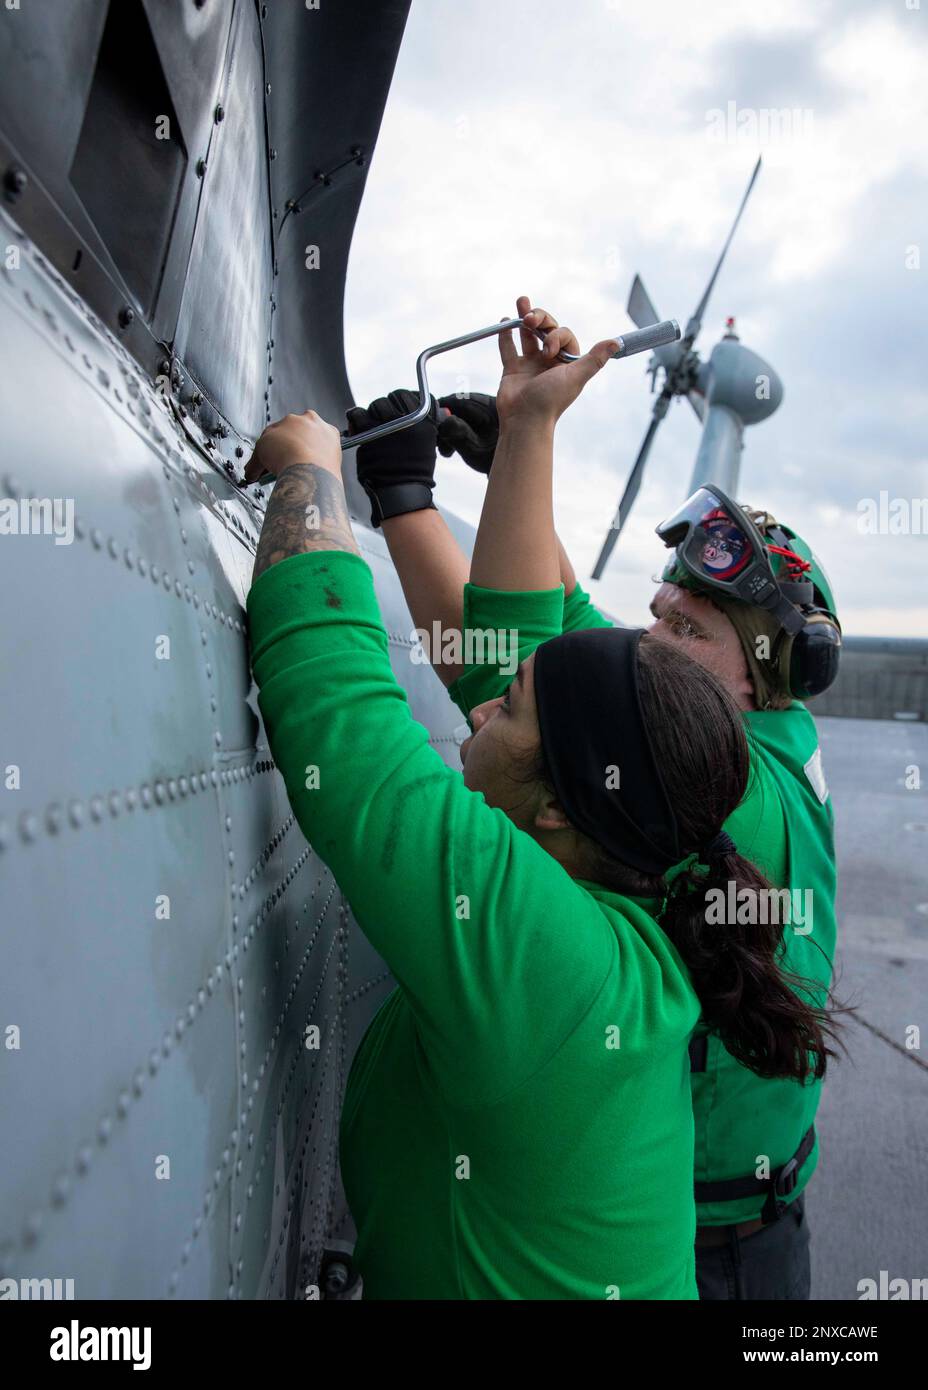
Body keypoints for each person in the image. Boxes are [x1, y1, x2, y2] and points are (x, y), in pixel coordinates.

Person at [243, 312, 836, 1300]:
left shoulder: (741, 800)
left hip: (729, 1242)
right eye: (653, 616)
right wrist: (469, 470)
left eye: (681, 631)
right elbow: (529, 661)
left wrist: (332, 479)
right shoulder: (674, 759)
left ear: (761, 680)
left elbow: (492, 683)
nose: (647, 641)